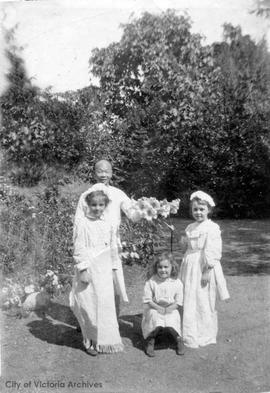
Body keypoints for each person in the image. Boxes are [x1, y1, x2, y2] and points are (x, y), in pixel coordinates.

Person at [69, 184, 126, 356]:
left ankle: (107, 340)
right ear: (88, 205)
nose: (97, 208)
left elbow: (112, 247)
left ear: (105, 206)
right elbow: (79, 248)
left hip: (104, 269)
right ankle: (90, 341)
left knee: (104, 304)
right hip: (88, 267)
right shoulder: (82, 223)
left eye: (101, 205)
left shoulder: (108, 223)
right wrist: (83, 269)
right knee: (88, 304)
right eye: (94, 205)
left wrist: (114, 266)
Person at [74, 159, 134, 314]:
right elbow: (78, 225)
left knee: (113, 283)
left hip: (112, 245)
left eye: (106, 171)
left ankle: (112, 321)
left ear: (112, 173)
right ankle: (88, 322)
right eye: (99, 171)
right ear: (94, 173)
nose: (103, 174)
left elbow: (133, 214)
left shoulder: (118, 193)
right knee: (90, 287)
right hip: (91, 245)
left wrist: (150, 209)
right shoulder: (87, 195)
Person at [179, 190, 230, 348]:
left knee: (202, 299)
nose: (198, 212)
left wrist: (207, 270)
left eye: (202, 209)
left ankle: (204, 334)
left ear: (209, 210)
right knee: (189, 297)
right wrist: (183, 242)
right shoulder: (190, 226)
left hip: (203, 266)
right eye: (195, 209)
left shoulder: (212, 227)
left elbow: (213, 251)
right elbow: (187, 249)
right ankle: (189, 332)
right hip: (189, 265)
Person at [141, 252, 185, 357]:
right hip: (154, 307)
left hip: (171, 308)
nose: (163, 270)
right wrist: (158, 307)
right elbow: (147, 300)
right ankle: (151, 339)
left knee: (173, 318)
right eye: (160, 267)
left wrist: (169, 308)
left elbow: (178, 302)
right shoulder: (151, 282)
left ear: (172, 267)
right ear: (156, 268)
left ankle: (178, 339)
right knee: (154, 317)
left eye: (166, 267)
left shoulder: (177, 282)